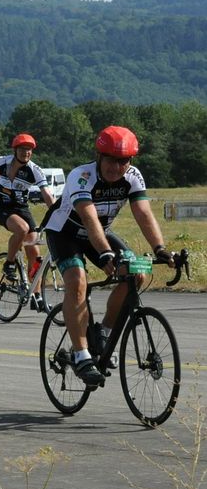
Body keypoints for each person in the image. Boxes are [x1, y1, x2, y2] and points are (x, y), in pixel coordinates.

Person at [44, 126, 174, 386]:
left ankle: (103, 332)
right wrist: (105, 254)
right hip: (65, 233)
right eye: (111, 160)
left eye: (123, 160)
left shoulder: (133, 177)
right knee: (77, 281)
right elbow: (89, 217)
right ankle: (81, 355)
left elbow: (144, 215)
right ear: (99, 156)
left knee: (136, 274)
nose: (116, 167)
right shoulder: (81, 176)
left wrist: (160, 249)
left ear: (131, 161)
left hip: (99, 232)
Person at [0, 133, 55, 305]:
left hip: (21, 208)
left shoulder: (34, 170)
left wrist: (57, 213)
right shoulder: (3, 162)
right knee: (22, 229)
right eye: (23, 149)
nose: (26, 152)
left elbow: (47, 194)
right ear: (15, 150)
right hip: (2, 208)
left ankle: (36, 294)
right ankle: (9, 264)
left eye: (29, 150)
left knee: (35, 252)